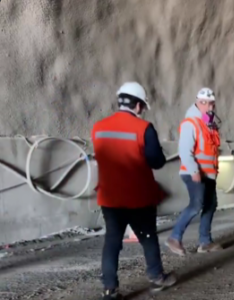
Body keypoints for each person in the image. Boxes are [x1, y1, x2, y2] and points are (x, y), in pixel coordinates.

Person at [91, 82, 176, 300]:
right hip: (138, 196)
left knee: (112, 242)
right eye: (143, 107)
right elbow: (156, 161)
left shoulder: (98, 127)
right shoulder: (143, 128)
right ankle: (157, 277)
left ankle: (109, 290)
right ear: (138, 106)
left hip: (109, 197)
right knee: (148, 237)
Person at [165, 87, 223, 256]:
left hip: (209, 174)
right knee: (196, 204)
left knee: (211, 205)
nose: (209, 107)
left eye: (211, 104)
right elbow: (185, 151)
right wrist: (193, 170)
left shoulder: (210, 125)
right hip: (195, 173)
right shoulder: (191, 123)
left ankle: (205, 242)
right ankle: (174, 237)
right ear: (197, 103)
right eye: (204, 103)